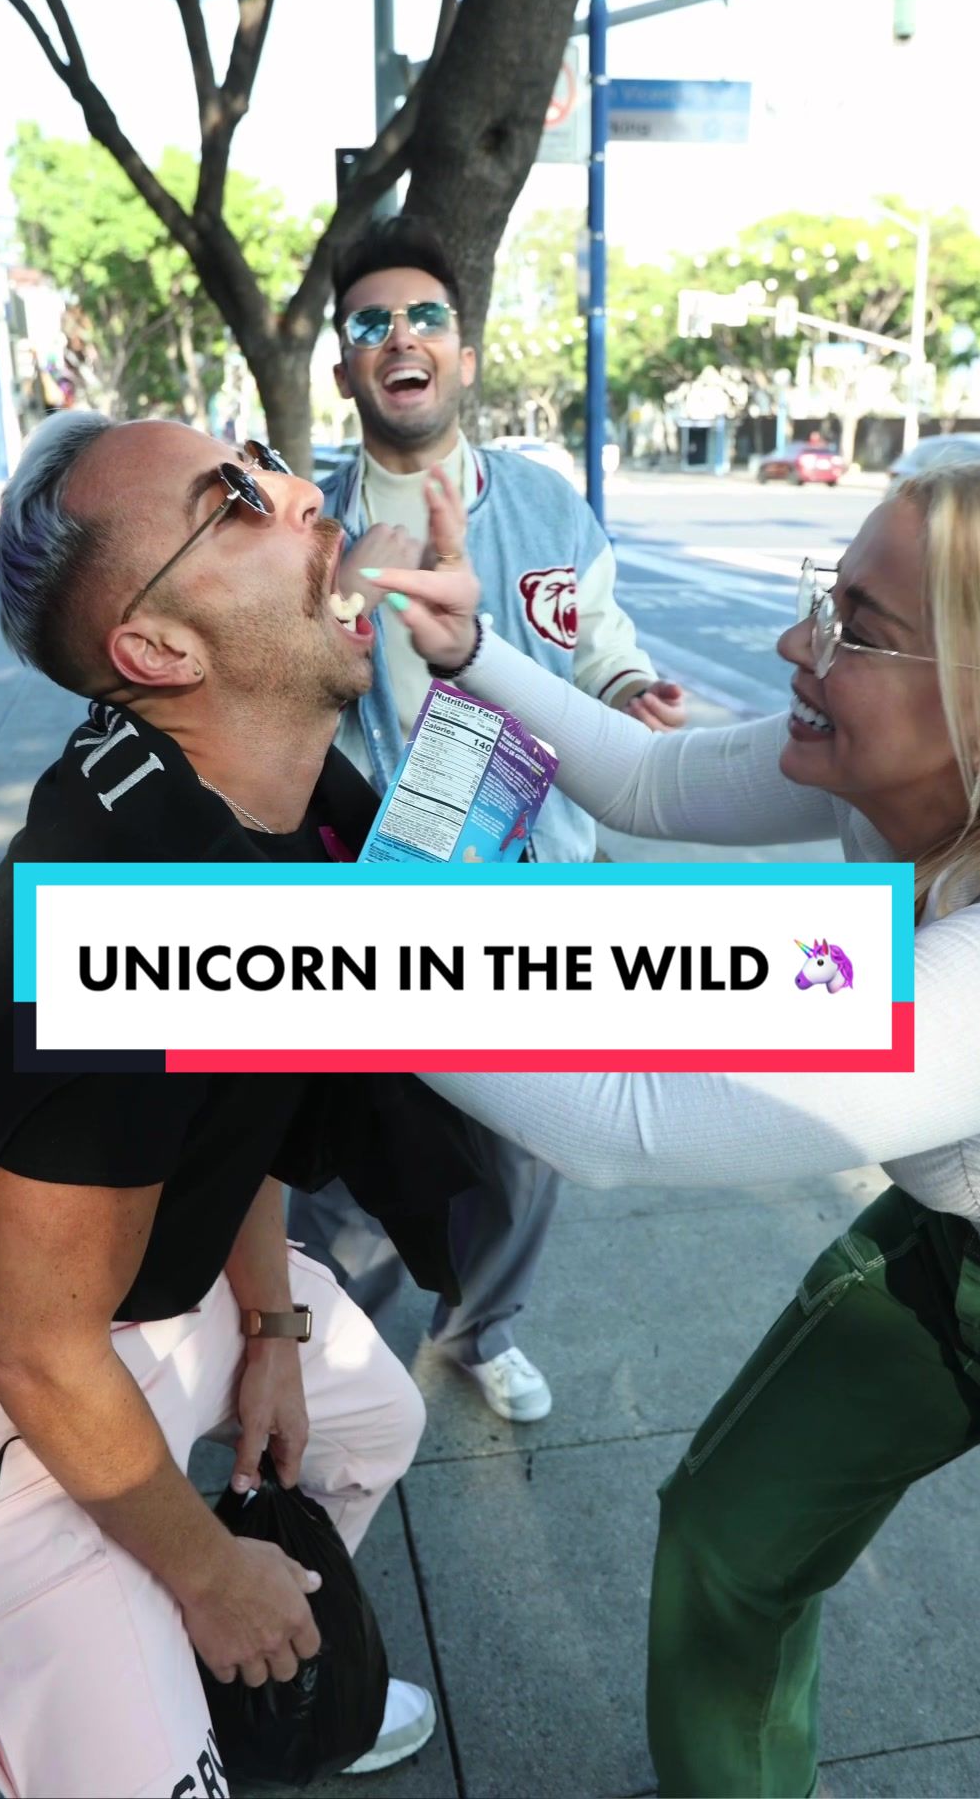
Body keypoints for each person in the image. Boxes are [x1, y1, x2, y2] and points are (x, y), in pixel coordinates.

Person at [362, 455, 980, 1796]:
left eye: (859, 628)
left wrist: (315, 964)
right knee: (730, 1534)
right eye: (824, 597)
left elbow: (628, 1121)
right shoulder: (885, 771)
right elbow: (650, 780)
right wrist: (469, 649)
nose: (795, 646)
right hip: (964, 1245)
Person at [0, 413, 485, 1798]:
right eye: (234, 498)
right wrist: (208, 1571)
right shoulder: (110, 913)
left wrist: (275, 1327)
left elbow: (243, 1106)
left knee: (373, 1420)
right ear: (160, 651)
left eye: (263, 462)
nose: (300, 491)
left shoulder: (295, 804)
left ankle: (241, 1657)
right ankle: (204, 1654)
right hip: (10, 1390)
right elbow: (40, 1352)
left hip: (160, 1303)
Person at [288, 214, 686, 1426]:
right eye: (371, 322)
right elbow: (277, 690)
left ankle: (479, 1330)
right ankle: (317, 1354)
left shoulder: (549, 507)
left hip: (535, 882)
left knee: (528, 1153)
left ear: (462, 353)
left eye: (425, 317)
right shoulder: (307, 527)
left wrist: (630, 690)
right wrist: (337, 599)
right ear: (346, 365)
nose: (399, 336)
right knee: (343, 1152)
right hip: (367, 886)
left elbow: (599, 644)